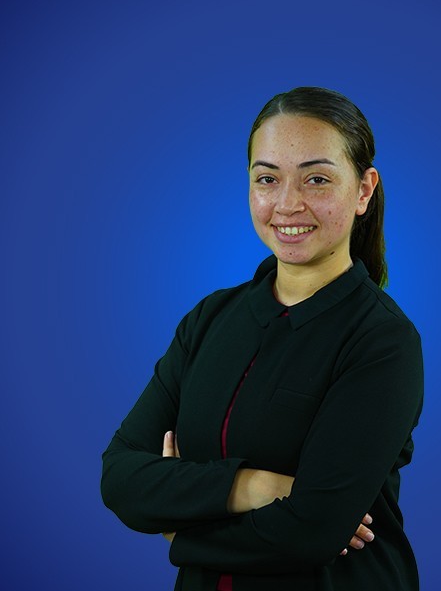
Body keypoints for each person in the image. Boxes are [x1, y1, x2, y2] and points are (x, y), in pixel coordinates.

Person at [101, 86, 424, 591]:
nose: (288, 204)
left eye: (317, 179)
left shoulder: (382, 340)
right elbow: (120, 477)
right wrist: (255, 486)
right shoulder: (210, 318)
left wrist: (178, 529)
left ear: (363, 191)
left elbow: (314, 531)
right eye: (267, 179)